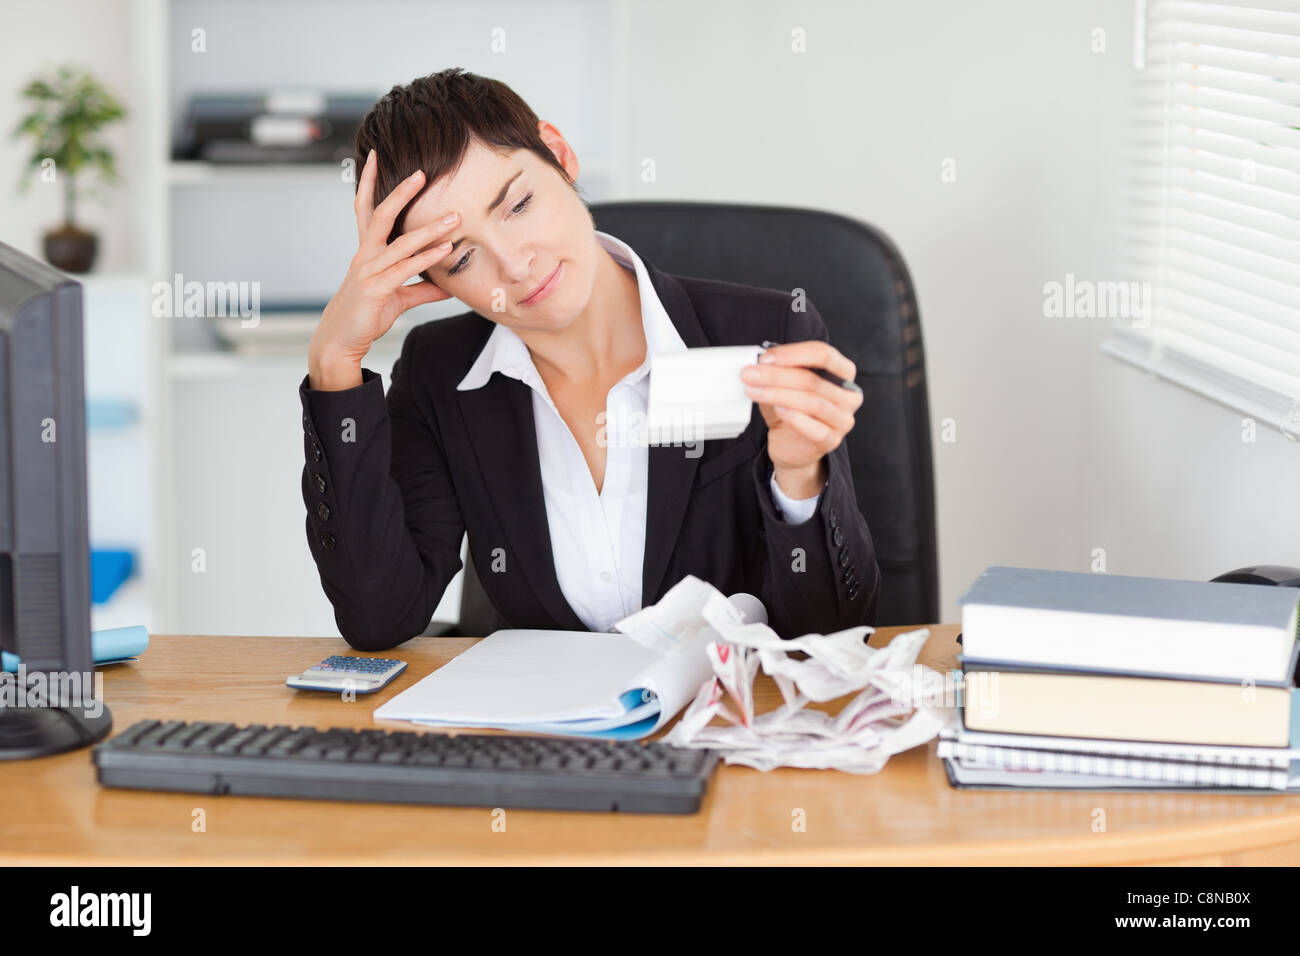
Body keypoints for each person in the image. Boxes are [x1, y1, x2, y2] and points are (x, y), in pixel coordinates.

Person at [300, 68, 881, 651]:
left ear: (558, 153)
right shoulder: (439, 373)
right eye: (460, 259)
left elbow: (830, 634)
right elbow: (379, 616)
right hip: (545, 734)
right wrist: (335, 362)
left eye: (519, 204)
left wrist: (801, 480)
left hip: (727, 728)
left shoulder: (766, 335)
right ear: (430, 280)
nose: (516, 265)